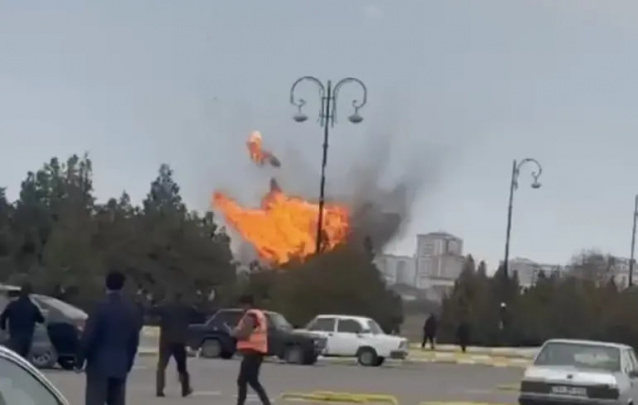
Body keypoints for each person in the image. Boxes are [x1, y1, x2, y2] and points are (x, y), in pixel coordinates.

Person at [75, 271, 142, 405]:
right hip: (120, 365)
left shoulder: (99, 307)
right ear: (123, 286)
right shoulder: (131, 310)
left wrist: (79, 360)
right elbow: (133, 341)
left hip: (98, 365)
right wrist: (128, 363)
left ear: (106, 285)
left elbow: (89, 336)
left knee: (95, 400)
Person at [232, 294, 271, 405]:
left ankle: (241, 403)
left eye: (241, 305)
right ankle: (266, 403)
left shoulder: (250, 316)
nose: (241, 308)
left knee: (242, 380)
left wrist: (234, 333)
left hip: (251, 351)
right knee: (252, 381)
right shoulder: (261, 315)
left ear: (247, 305)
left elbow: (245, 334)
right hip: (259, 350)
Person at [154, 291, 193, 398]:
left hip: (166, 340)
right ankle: (185, 388)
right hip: (180, 340)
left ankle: (159, 389)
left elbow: (152, 311)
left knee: (161, 366)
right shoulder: (186, 308)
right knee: (181, 366)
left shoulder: (164, 307)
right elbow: (198, 315)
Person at [0, 283, 44, 358]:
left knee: (14, 356)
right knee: (23, 357)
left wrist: (3, 327)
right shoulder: (32, 307)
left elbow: (3, 317)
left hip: (14, 335)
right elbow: (41, 320)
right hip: (27, 336)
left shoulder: (12, 305)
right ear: (29, 295)